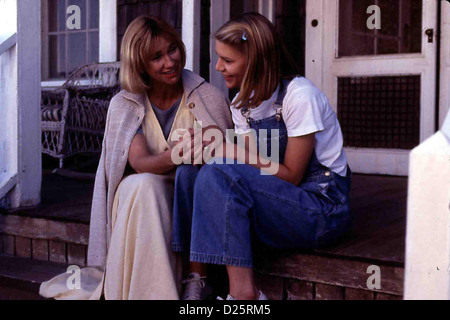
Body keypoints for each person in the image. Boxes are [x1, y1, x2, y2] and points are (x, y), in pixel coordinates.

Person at [39, 16, 232, 300]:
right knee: (142, 185)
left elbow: (224, 159)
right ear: (140, 64)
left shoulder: (206, 96)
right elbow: (141, 162)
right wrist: (184, 152)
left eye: (172, 50)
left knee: (151, 186)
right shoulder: (126, 103)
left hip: (189, 197)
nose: (169, 62)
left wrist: (207, 148)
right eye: (156, 57)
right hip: (140, 197)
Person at [172, 12, 352, 300]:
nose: (218, 67)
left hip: (320, 209)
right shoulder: (242, 103)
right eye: (220, 58)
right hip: (279, 204)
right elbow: (253, 168)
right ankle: (199, 280)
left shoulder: (299, 96)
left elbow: (291, 175)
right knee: (190, 172)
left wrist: (228, 149)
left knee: (220, 168)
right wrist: (211, 145)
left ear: (256, 60)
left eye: (228, 61)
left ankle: (245, 294)